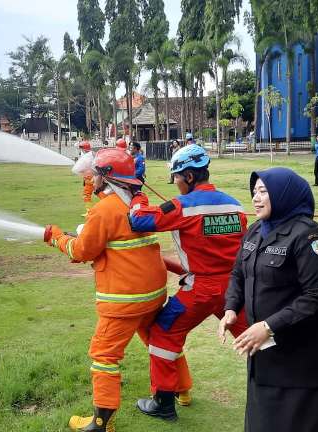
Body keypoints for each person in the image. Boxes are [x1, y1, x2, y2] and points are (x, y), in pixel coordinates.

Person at [44, 148, 167, 432]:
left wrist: (56, 237)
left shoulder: (105, 210)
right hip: (153, 295)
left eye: (96, 174)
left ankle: (101, 424)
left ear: (106, 178)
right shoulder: (139, 204)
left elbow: (82, 250)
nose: (91, 179)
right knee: (160, 344)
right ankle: (180, 392)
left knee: (103, 355)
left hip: (125, 299)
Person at [219, 167, 318, 432]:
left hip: (305, 365)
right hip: (266, 361)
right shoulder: (256, 231)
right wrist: (231, 307)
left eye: (264, 192)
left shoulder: (310, 237)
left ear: (284, 194)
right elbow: (238, 273)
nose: (256, 198)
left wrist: (268, 326)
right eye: (254, 192)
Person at [129, 144, 249, 421]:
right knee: (255, 339)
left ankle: (163, 403)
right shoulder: (235, 204)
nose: (177, 184)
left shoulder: (182, 206)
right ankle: (283, 390)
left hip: (201, 289)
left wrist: (138, 197)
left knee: (162, 333)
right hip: (234, 288)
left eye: (177, 179)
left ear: (190, 177)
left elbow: (138, 220)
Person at [79, 140, 94, 216]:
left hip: (89, 178)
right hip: (91, 178)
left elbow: (85, 167)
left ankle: (89, 212)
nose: (81, 150)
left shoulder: (88, 157)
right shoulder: (91, 155)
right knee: (99, 193)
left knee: (86, 195)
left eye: (82, 148)